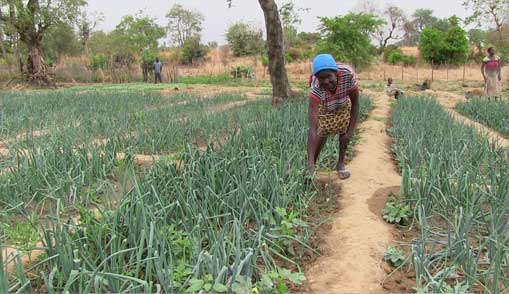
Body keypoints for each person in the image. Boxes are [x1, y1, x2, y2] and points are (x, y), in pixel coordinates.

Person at [307, 54, 360, 180]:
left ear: (336, 73)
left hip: (343, 101)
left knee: (344, 131)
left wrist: (350, 132)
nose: (325, 81)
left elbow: (356, 104)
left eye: (328, 77)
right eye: (321, 78)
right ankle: (311, 164)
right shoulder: (316, 87)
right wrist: (310, 164)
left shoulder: (347, 74)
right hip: (326, 104)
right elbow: (313, 129)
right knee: (323, 131)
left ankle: (340, 164)